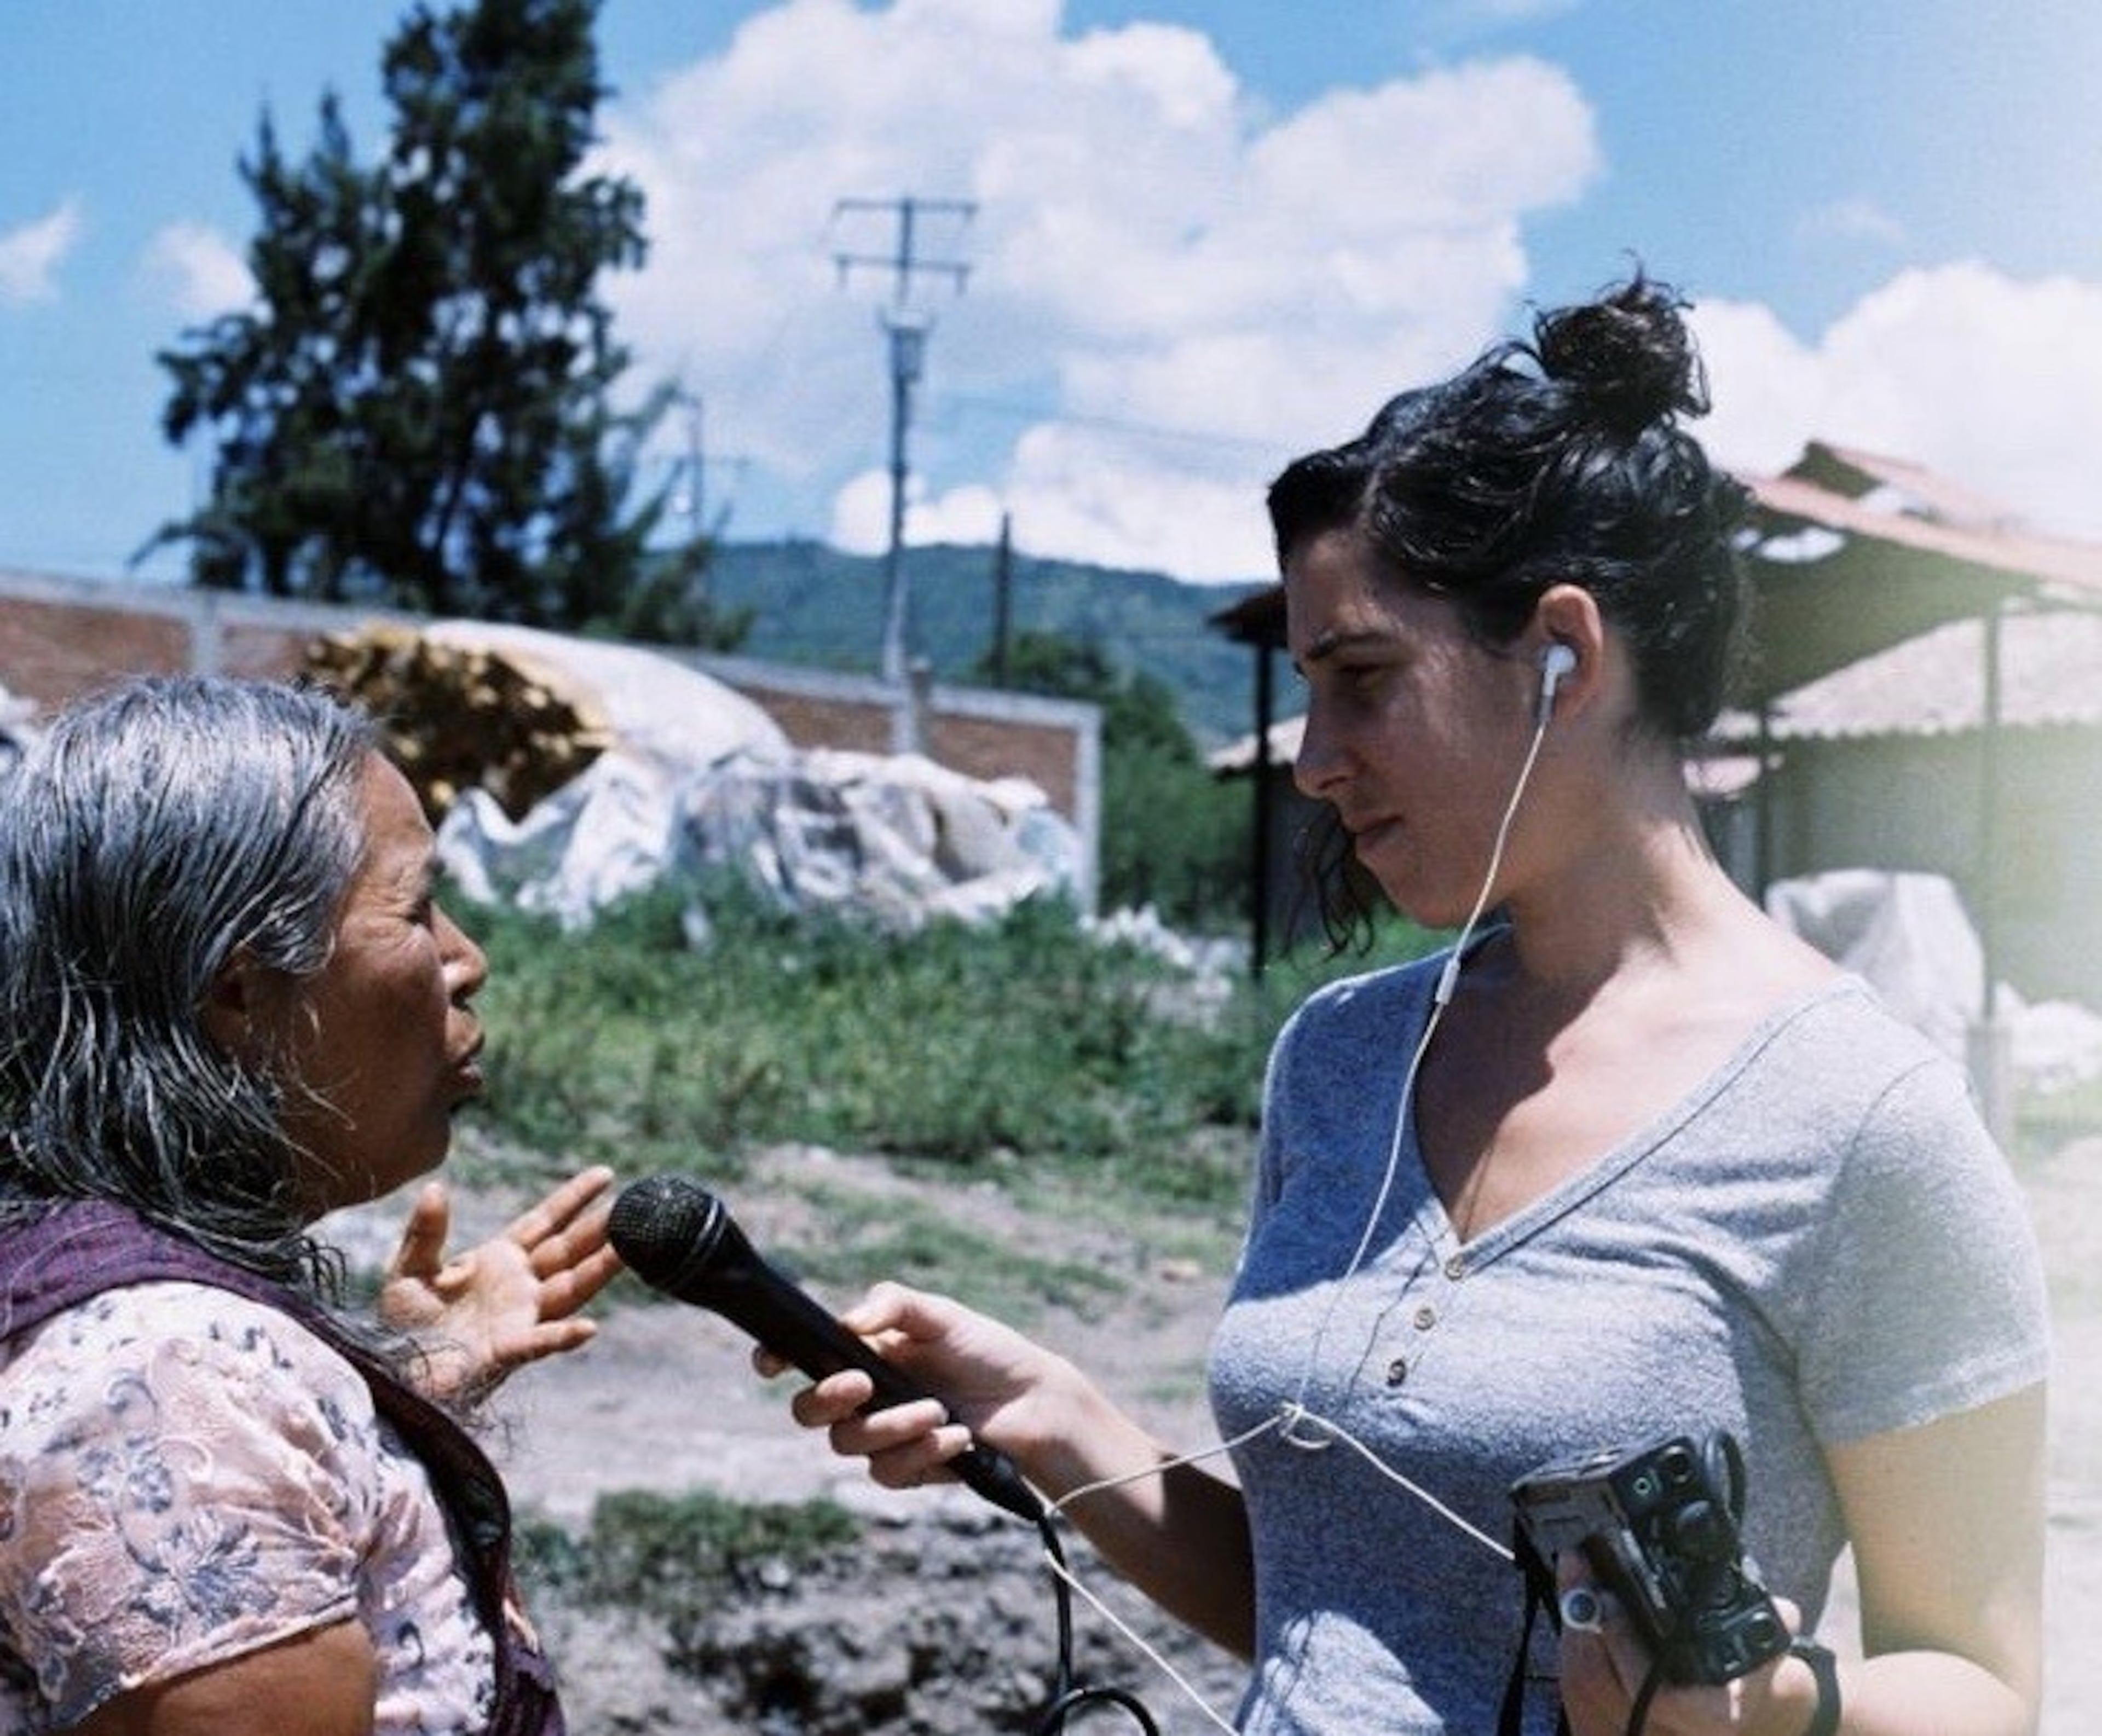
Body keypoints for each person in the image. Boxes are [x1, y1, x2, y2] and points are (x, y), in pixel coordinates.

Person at [767, 275, 2048, 1736]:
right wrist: (1062, 1419)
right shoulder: (1344, 1057)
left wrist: (1761, 1709)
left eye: (1363, 678)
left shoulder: (1864, 1123)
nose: (1313, 756)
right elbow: (1335, 1601)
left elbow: (1990, 1687)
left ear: (1565, 654)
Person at [0, 674, 624, 1735]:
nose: (466, 961)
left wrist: (407, 1382)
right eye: (417, 909)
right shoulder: (171, 1380)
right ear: (240, 990)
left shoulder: (150, 1342)